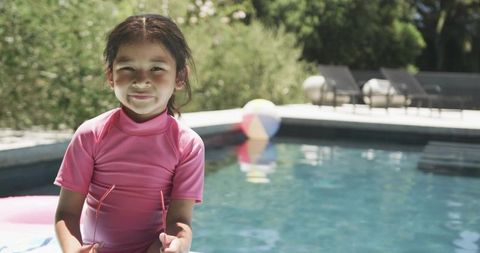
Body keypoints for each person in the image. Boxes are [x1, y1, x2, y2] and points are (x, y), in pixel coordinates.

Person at [54, 14, 204, 253]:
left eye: (156, 68)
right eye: (127, 68)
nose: (141, 80)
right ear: (111, 76)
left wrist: (178, 245)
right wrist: (73, 250)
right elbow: (67, 212)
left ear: (180, 77)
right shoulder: (91, 135)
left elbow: (180, 221)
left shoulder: (187, 145)